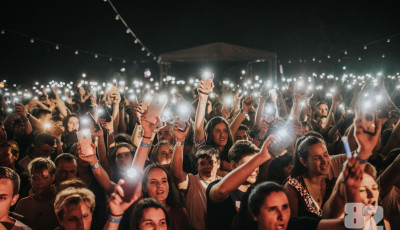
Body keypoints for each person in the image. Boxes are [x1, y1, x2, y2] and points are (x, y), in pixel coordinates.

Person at [206, 137, 275, 230]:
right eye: (249, 164)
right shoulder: (217, 185)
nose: (254, 169)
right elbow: (222, 191)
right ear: (234, 165)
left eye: (256, 164)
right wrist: (261, 157)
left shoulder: (258, 193)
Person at [171, 119, 221, 230]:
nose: (208, 166)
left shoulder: (224, 183)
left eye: (211, 162)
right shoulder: (192, 181)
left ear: (218, 164)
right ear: (197, 166)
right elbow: (177, 174)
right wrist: (180, 140)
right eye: (202, 163)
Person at [284, 136, 335, 218]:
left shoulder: (333, 185)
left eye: (325, 155)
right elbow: (291, 224)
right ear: (304, 162)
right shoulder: (294, 187)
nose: (324, 161)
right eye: (316, 158)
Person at [14, 157, 59, 230]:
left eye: (44, 177)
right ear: (30, 180)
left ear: (52, 177)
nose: (39, 182)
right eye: (35, 178)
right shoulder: (23, 204)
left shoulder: (60, 203)